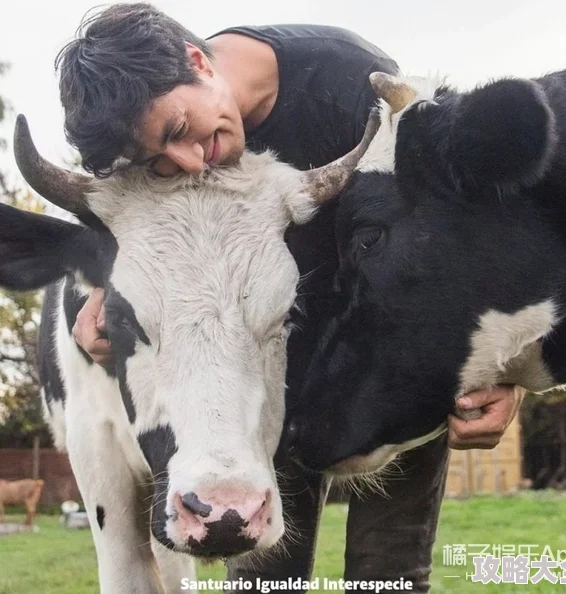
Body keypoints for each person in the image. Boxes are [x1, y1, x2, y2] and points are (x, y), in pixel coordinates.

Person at [57, 4, 522, 592]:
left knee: (391, 575)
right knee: (261, 583)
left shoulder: (352, 83)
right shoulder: (141, 140)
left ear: (197, 61)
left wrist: (504, 370)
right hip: (257, 392)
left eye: (179, 132)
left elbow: (462, 235)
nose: (189, 161)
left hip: (391, 368)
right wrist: (96, 311)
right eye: (157, 162)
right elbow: (132, 254)